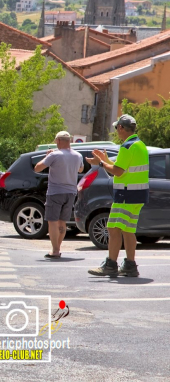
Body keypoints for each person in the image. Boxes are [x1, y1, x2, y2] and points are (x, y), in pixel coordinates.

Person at [87, 114, 148, 278]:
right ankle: (130, 265)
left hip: (126, 195)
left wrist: (100, 163)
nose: (116, 131)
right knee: (128, 230)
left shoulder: (127, 146)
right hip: (137, 195)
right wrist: (106, 160)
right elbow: (121, 168)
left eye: (117, 128)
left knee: (113, 228)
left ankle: (111, 265)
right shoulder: (140, 145)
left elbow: (118, 172)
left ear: (121, 128)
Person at [34, 130, 83, 259]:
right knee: (62, 223)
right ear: (70, 141)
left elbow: (37, 168)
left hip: (55, 192)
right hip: (71, 193)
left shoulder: (55, 155)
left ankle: (55, 251)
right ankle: (58, 248)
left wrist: (47, 156)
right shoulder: (78, 156)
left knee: (53, 222)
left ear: (59, 141)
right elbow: (81, 169)